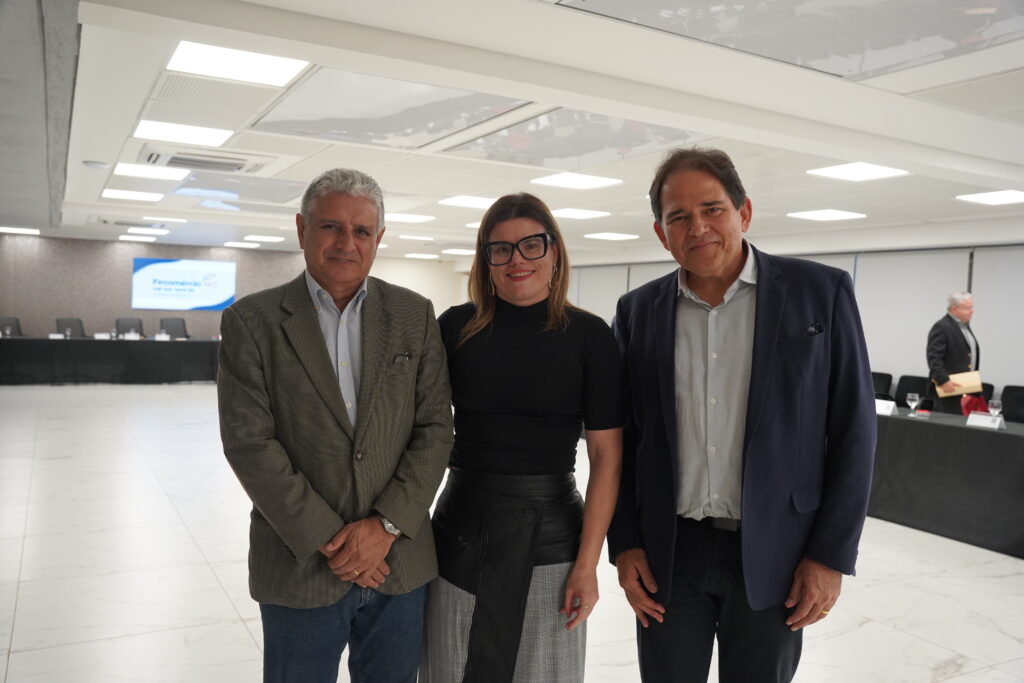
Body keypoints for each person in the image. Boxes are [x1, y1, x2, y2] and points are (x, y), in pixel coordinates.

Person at [608, 147, 876, 683]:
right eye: (678, 216)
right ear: (661, 233)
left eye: (712, 209)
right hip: (669, 556)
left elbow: (854, 430)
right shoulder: (637, 312)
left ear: (744, 212)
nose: (697, 227)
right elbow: (622, 439)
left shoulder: (819, 293)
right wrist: (626, 543)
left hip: (779, 553)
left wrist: (829, 555)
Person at [217, 168, 454, 683]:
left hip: (399, 565)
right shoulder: (252, 322)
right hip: (301, 565)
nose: (347, 243)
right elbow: (249, 443)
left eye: (362, 231)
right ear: (302, 229)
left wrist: (384, 527)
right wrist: (336, 542)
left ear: (378, 239)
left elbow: (436, 428)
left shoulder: (413, 315)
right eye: (331, 227)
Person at [420, 193, 624, 682]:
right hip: (460, 533)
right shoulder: (455, 327)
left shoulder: (590, 336)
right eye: (501, 249)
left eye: (531, 245)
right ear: (485, 260)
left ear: (554, 252)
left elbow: (607, 458)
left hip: (551, 543)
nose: (517, 260)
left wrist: (588, 564)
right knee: (450, 669)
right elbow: (421, 431)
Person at [927, 291, 980, 414]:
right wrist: (943, 380)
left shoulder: (964, 327)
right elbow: (934, 357)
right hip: (948, 390)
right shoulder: (942, 327)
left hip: (966, 389)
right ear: (955, 308)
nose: (972, 311)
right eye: (968, 308)